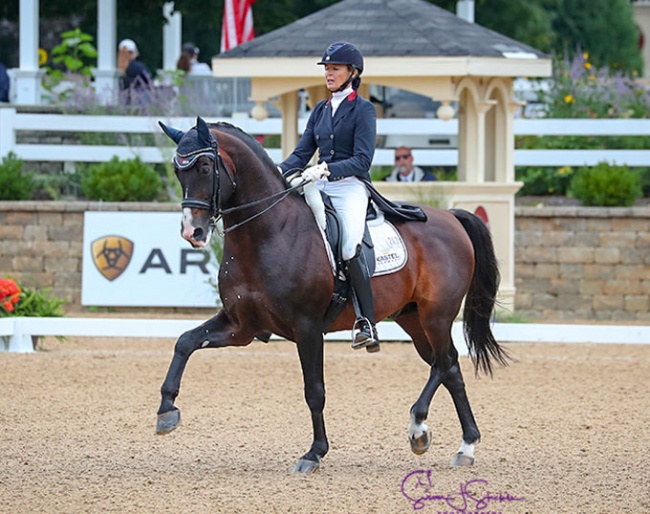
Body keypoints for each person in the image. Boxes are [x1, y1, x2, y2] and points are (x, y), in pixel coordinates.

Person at [277, 41, 380, 353]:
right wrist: (275, 173)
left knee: (349, 243)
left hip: (350, 186)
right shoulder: (320, 110)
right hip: (319, 183)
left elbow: (363, 160)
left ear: (353, 72)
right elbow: (301, 154)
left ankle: (367, 321)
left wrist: (325, 169)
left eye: (335, 68)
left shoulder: (363, 110)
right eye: (327, 69)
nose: (329, 73)